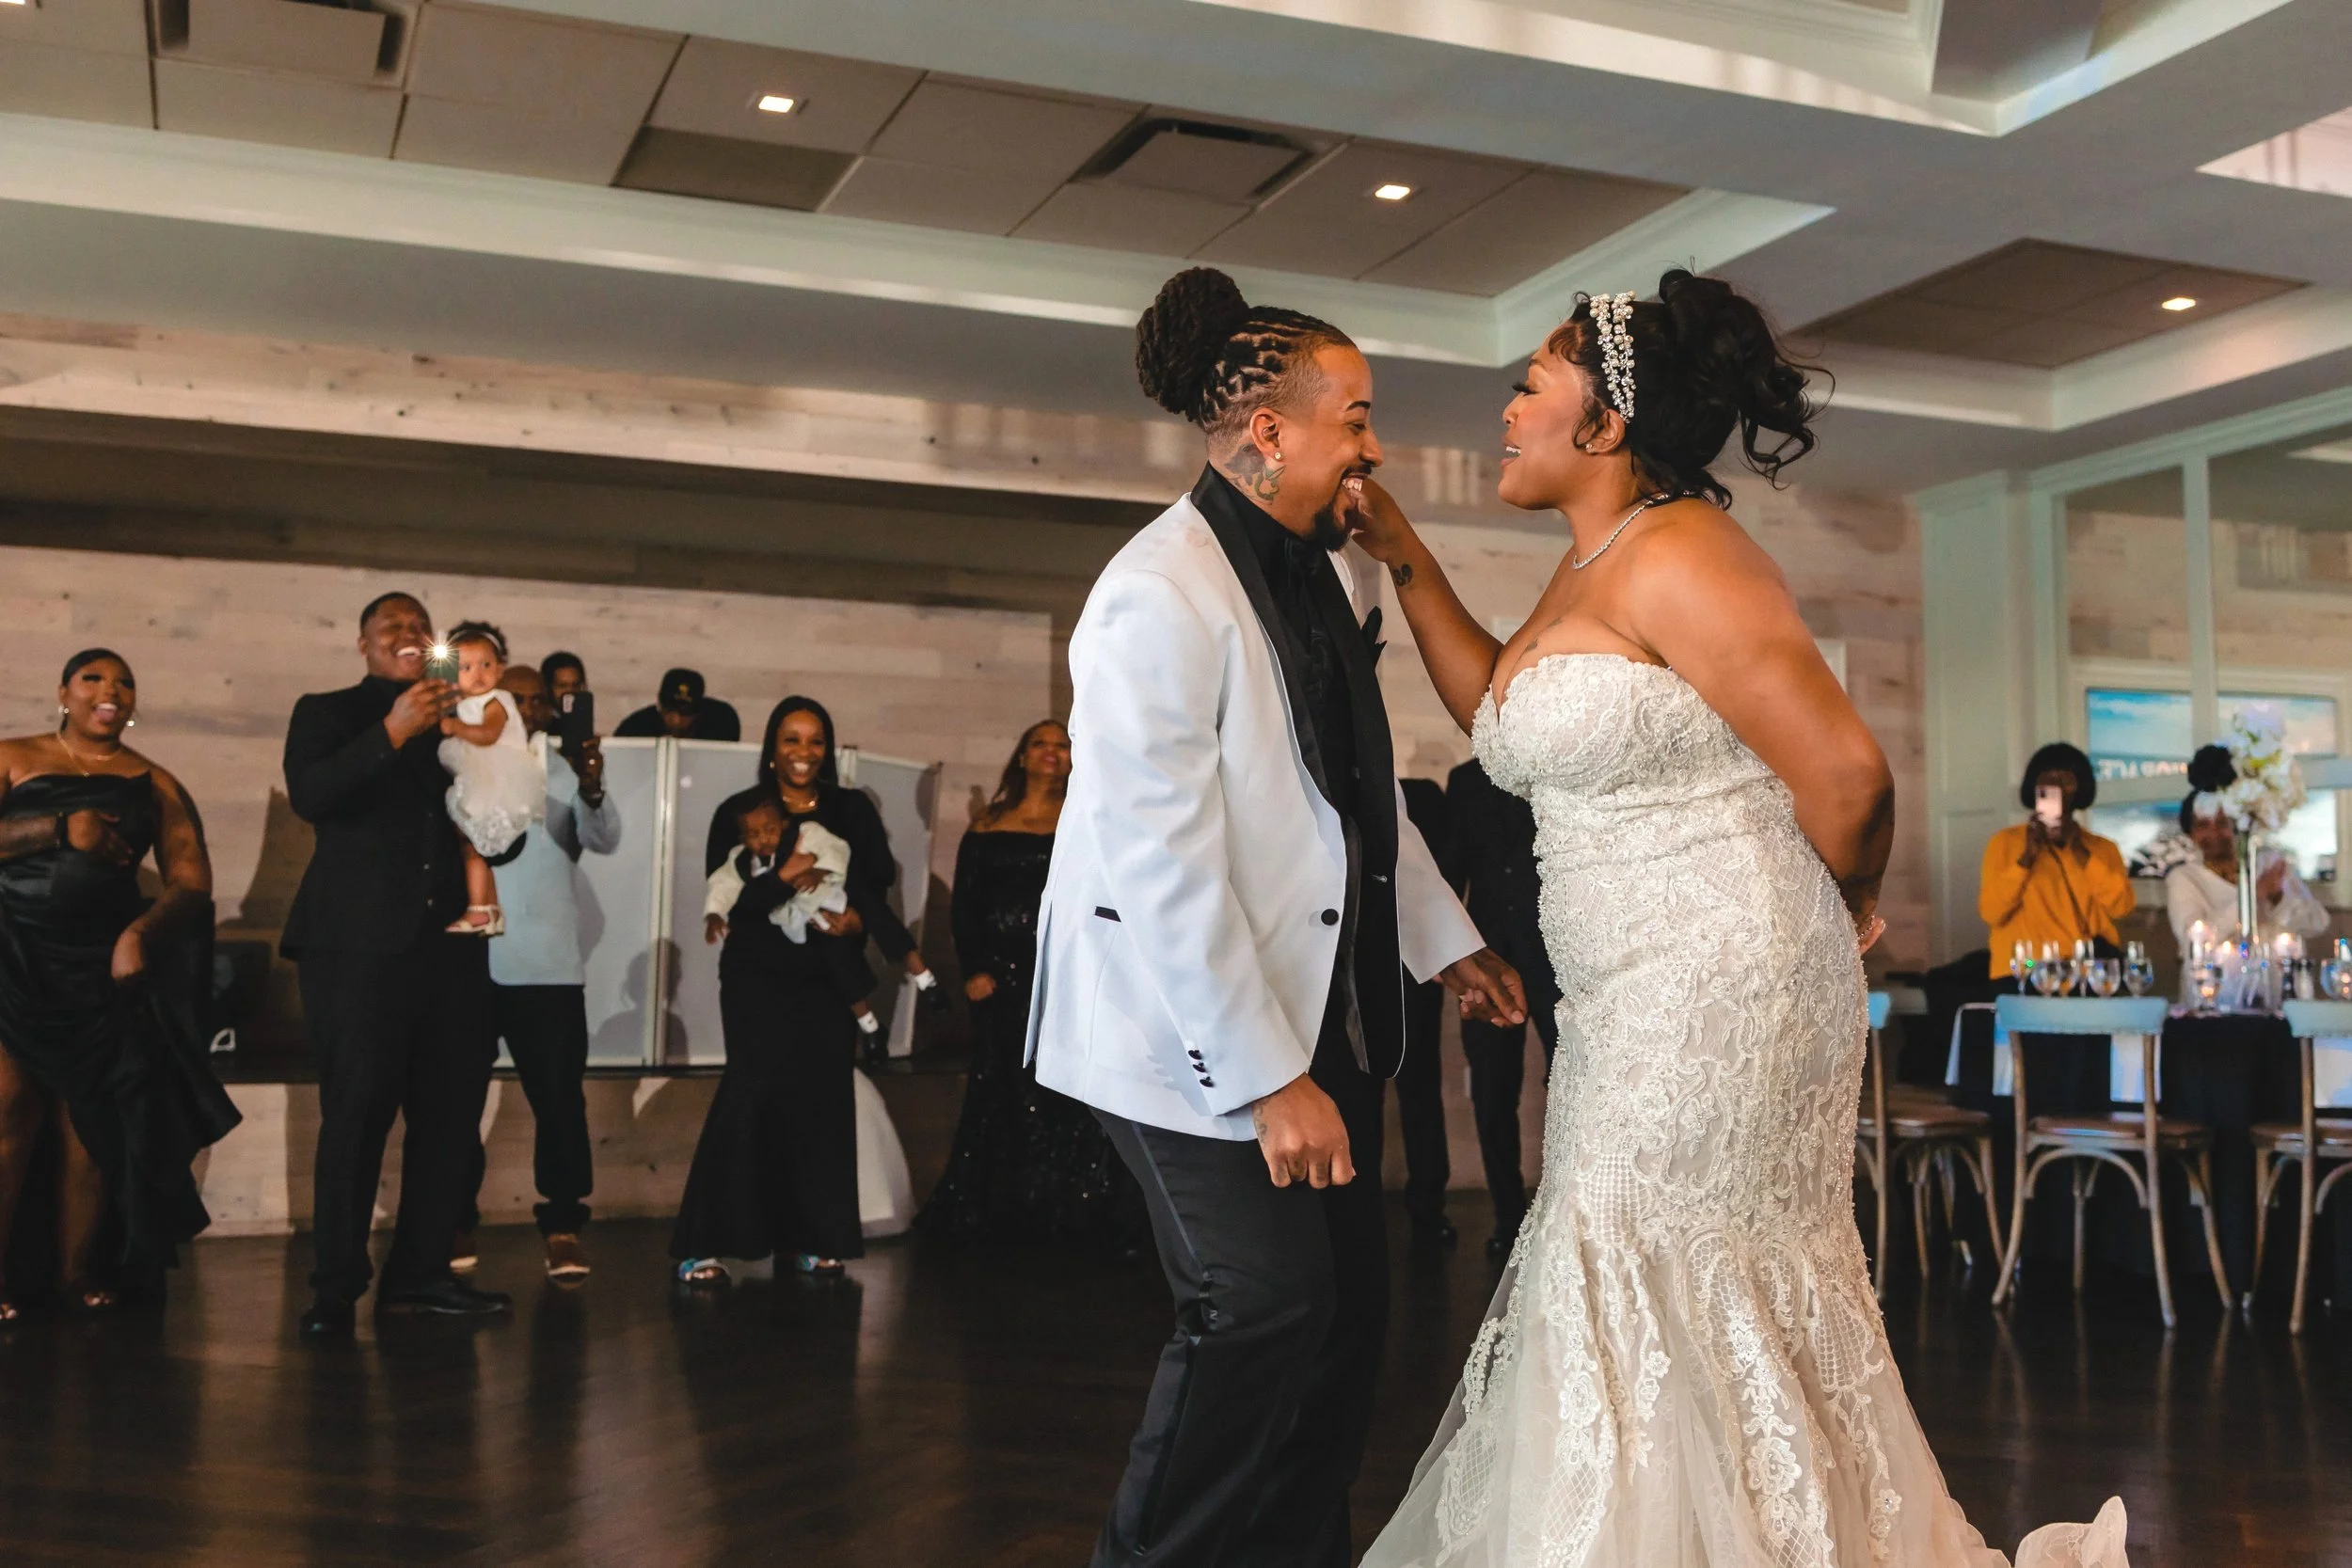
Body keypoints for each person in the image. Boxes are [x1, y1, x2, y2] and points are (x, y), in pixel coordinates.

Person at [1347, 272, 2125, 1565]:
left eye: (1529, 386)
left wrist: (1846, 900)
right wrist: (1408, 558)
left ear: (1603, 425)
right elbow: (1495, 709)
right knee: (1637, 1254)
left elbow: (1851, 778)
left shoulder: (1685, 552)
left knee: (1636, 1243)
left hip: (1719, 978)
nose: (1507, 409)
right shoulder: (1591, 562)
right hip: (1625, 985)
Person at [1032, 266, 1527, 1568]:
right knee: (1255, 1301)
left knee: (1346, 1319)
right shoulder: (1154, 593)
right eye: (1356, 418)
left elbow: (1353, 794)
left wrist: (1444, 938)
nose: (1375, 447)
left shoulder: (1340, 575)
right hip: (1177, 1019)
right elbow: (1161, 859)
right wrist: (1266, 1078)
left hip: (1325, 1006)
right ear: (1269, 431)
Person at [282, 591, 508, 1336]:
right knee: (356, 1115)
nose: (409, 634)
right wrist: (394, 728)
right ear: (364, 643)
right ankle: (335, 1288)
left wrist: (505, 802)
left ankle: (421, 1275)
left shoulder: (467, 719)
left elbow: (496, 830)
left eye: (420, 625)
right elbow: (313, 794)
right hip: (357, 947)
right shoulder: (327, 711)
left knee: (449, 1118)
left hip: (451, 944)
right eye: (392, 626)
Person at [0, 649, 238, 1317]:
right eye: (93, 678)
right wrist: (58, 829)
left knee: (91, 1126)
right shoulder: (14, 756)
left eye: (125, 682)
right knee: (10, 1109)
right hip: (14, 954)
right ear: (63, 692)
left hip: (100, 964)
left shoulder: (154, 781)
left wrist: (139, 933)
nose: (111, 690)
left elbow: (192, 881)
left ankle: (78, 1274)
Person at [671, 697, 907, 1282]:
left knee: (822, 1101)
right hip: (757, 976)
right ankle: (707, 1241)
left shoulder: (851, 810)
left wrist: (857, 920)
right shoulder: (740, 812)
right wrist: (783, 877)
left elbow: (875, 882)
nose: (804, 752)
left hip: (826, 977)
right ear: (772, 749)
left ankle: (813, 1237)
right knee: (749, 1093)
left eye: (815, 740)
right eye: (791, 739)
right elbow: (731, 900)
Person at [919, 721, 1143, 1250]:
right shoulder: (989, 822)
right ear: (1022, 756)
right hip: (999, 983)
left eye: (1062, 745)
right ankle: (1002, 1211)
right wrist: (973, 968)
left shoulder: (1087, 818)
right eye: (1040, 743)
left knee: (1065, 1090)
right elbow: (966, 906)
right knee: (1001, 1087)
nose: (1051, 752)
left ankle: (1070, 1211)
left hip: (1067, 978)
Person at [462, 661, 619, 1282]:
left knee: (559, 1104)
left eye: (537, 701)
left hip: (548, 968)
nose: (527, 709)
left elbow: (604, 840)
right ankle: (454, 1216)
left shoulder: (567, 768)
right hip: (471, 962)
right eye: (516, 698)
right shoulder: (464, 759)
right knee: (456, 1101)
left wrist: (593, 786)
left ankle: (563, 1226)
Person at [1443, 752, 1564, 1259]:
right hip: (1488, 960)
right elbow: (1450, 877)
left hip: (1557, 956)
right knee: (1492, 1095)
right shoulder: (1464, 781)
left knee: (1569, 1083)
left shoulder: (1553, 767)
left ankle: (1565, 1212)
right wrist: (1450, 958)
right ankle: (1508, 1219)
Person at [703, 798, 883, 1041]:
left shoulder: (805, 836)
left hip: (822, 906)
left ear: (783, 825)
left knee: (840, 963)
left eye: (770, 830)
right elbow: (722, 885)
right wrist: (714, 913)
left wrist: (818, 871)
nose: (764, 839)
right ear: (743, 839)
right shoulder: (739, 859)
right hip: (782, 933)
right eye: (754, 834)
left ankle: (869, 1024)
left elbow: (837, 849)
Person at [2151, 742, 2329, 950]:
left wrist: (2277, 897)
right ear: (2190, 834)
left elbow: (2318, 924)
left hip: (2276, 970)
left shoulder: (2269, 864)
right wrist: (2254, 895)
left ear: (2238, 825)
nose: (2213, 833)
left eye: (2222, 823)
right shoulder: (2184, 878)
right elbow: (2193, 942)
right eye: (2203, 826)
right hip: (2216, 972)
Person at [1979, 741, 2136, 977]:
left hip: (2088, 972)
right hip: (2024, 971)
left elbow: (2122, 907)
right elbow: (1992, 912)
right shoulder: (2005, 843)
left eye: (2067, 781)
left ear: (2080, 788)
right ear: (2034, 789)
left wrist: (2080, 851)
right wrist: (2026, 859)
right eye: (2047, 781)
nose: (2057, 788)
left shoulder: (2102, 848)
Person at [436, 622, 546, 936]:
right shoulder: (463, 703)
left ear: (500, 670)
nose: (478, 674)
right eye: (466, 667)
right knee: (476, 844)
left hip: (497, 779)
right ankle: (491, 909)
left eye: (486, 665)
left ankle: (478, 909)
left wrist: (457, 729)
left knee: (472, 843)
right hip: (483, 776)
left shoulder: (496, 701)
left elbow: (488, 734)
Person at [1394, 774, 1454, 1245]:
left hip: (1414, 971)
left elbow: (1443, 874)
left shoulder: (1424, 796)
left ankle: (1429, 1204)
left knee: (1420, 1086)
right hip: (1344, 971)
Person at [614, 667, 741, 741]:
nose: (676, 720)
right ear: (659, 706)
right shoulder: (635, 729)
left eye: (685, 713)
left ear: (698, 713)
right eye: (669, 710)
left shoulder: (721, 724)